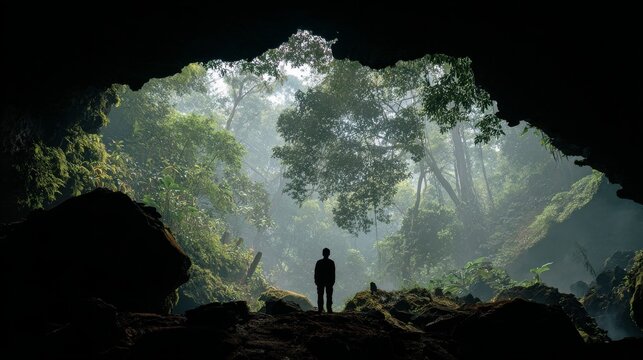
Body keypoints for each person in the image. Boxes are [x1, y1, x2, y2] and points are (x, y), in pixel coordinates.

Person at [314, 248, 335, 314]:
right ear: (329, 254)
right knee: (329, 296)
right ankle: (329, 309)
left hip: (320, 281)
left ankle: (320, 309)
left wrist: (316, 281)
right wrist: (332, 282)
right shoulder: (331, 262)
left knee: (320, 295)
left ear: (322, 253)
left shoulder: (319, 262)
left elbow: (316, 273)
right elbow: (333, 273)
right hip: (329, 282)